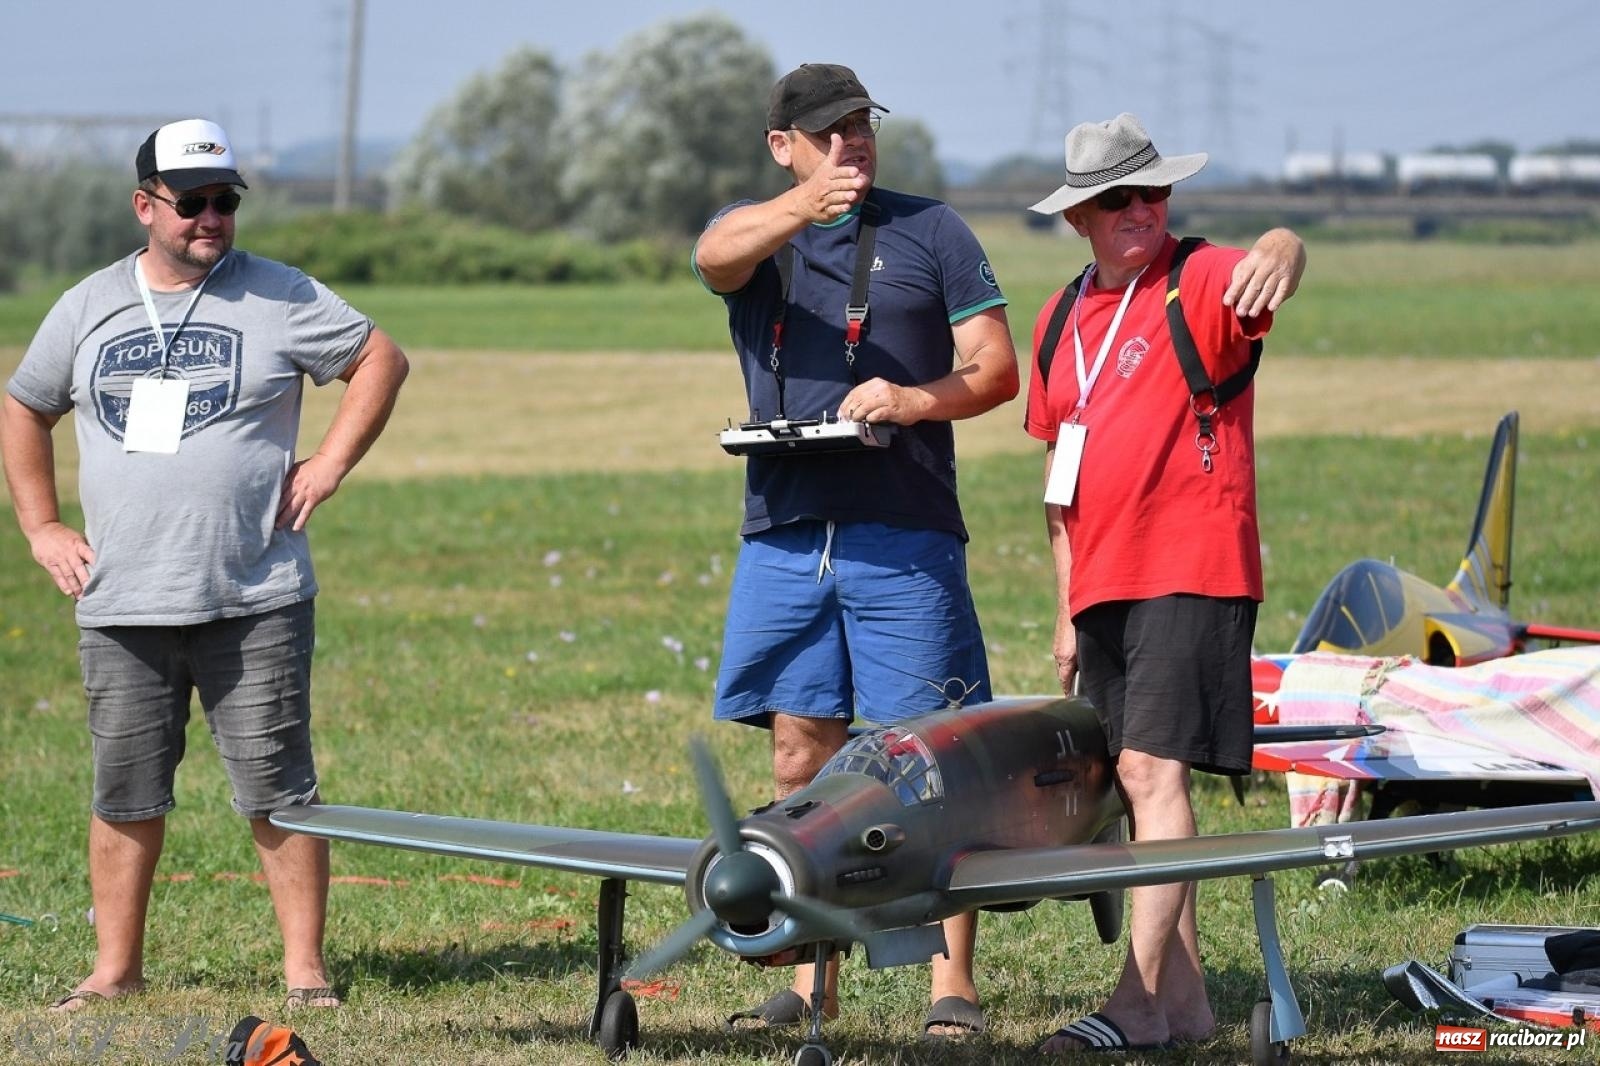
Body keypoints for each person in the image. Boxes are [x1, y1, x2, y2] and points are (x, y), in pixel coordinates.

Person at [1, 118, 409, 1013]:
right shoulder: (86, 304)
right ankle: (114, 972)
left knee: (279, 788)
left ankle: (305, 972)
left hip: (253, 591)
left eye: (225, 201)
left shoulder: (282, 294)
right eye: (193, 203)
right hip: (120, 599)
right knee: (126, 792)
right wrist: (41, 525)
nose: (212, 218)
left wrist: (331, 461)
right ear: (146, 206)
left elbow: (381, 356)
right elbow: (24, 406)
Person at [694, 64, 1018, 1038]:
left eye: (861, 128)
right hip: (787, 535)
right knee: (799, 756)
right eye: (828, 132)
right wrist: (801, 207)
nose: (852, 145)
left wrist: (917, 401)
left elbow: (997, 367)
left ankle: (948, 988)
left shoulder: (934, 231)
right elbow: (713, 257)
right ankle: (807, 980)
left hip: (904, 529)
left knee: (929, 762)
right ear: (782, 143)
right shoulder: (758, 232)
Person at [1022, 113, 1306, 1053]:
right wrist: (1067, 608)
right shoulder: (1060, 320)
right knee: (1138, 792)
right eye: (1117, 199)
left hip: (1193, 563)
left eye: (1152, 193)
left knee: (1153, 771)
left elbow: (1275, 258)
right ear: (1080, 219)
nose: (1140, 211)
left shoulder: (1201, 276)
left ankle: (1136, 1005)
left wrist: (1282, 244)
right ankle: (1185, 1010)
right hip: (1102, 581)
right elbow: (1058, 485)